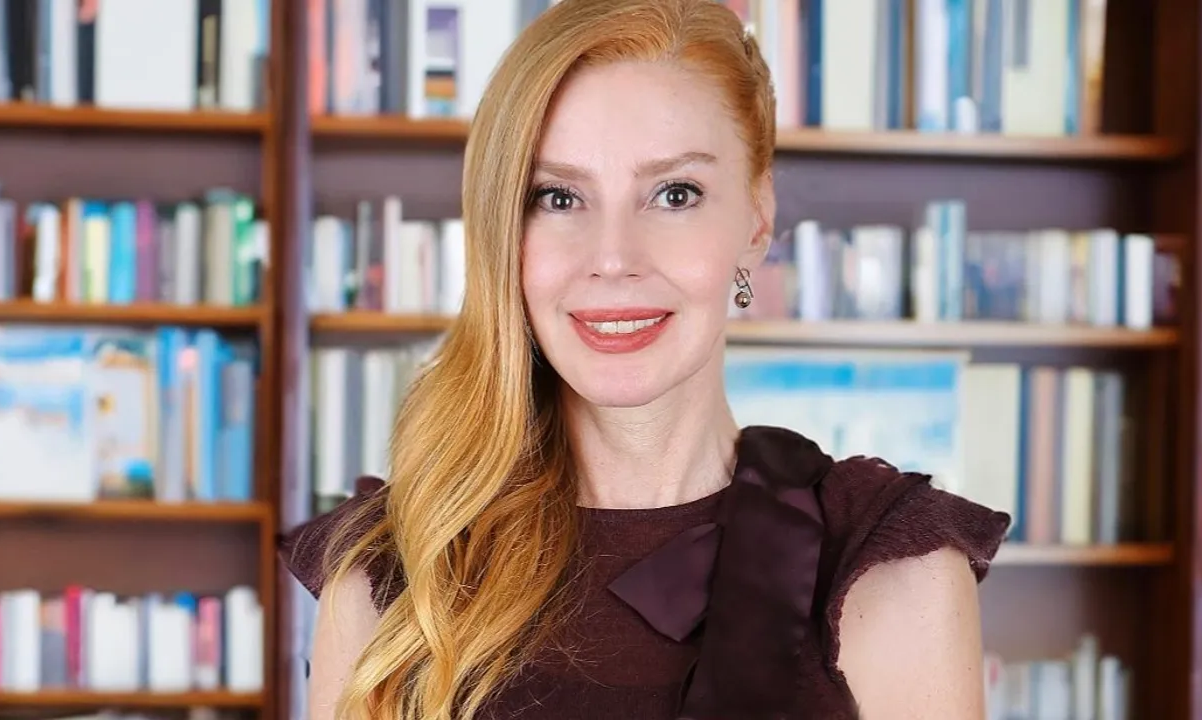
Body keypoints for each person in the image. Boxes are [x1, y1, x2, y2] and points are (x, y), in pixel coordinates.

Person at [279, 0, 1012, 718]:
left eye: (674, 193)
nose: (613, 258)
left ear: (757, 219)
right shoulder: (390, 573)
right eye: (558, 198)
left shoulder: (889, 573)